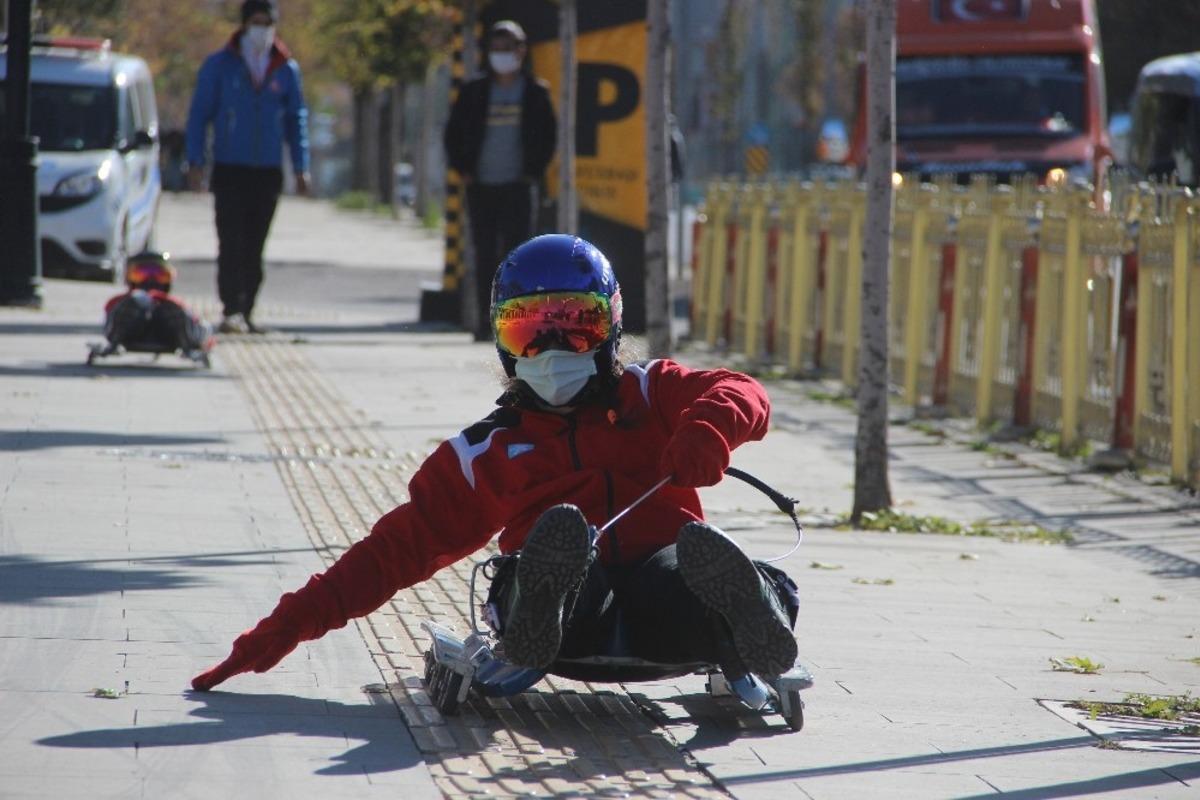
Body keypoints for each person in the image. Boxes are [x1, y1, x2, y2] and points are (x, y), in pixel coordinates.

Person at [191, 235, 799, 694]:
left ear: (611, 328)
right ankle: (542, 598)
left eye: (577, 328)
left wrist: (708, 426)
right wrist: (276, 633)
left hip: (663, 600)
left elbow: (741, 391)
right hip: (566, 628)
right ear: (503, 343)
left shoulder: (651, 394)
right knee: (559, 558)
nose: (553, 350)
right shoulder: (488, 451)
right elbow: (389, 554)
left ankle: (747, 610)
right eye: (529, 331)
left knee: (692, 573)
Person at [185, 0, 311, 335]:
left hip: (267, 170)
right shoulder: (220, 65)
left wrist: (301, 166)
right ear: (244, 25)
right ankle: (231, 309)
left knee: (256, 244)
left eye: (267, 22)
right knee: (231, 241)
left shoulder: (285, 68)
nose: (262, 29)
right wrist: (195, 160)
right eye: (256, 22)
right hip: (229, 168)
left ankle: (248, 310)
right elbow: (200, 114)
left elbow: (296, 120)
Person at [443, 19, 557, 340]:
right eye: (495, 49)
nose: (501, 55)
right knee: (484, 254)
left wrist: (532, 172)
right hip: (481, 185)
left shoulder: (536, 92)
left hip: (518, 186)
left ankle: (516, 324)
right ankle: (485, 322)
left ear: (521, 52)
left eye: (508, 49)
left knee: (518, 257)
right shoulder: (474, 92)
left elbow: (549, 137)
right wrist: (463, 168)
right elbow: (452, 134)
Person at [102, 253, 214, 358]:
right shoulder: (121, 301)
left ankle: (185, 341)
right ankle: (119, 336)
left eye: (160, 275)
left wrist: (161, 300)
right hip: (132, 331)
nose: (150, 280)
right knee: (128, 308)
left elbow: (196, 320)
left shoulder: (174, 303)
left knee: (175, 312)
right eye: (141, 274)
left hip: (168, 333)